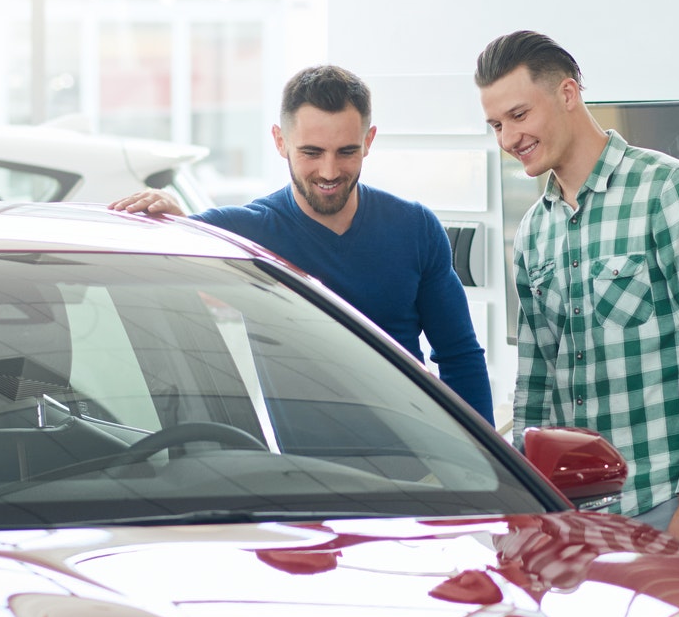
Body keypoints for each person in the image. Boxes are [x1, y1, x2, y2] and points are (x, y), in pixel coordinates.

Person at [477, 30, 679, 566]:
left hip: (670, 497)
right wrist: (526, 504)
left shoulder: (673, 192)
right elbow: (536, 383)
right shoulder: (535, 229)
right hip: (578, 517)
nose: (508, 138)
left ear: (567, 93)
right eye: (496, 125)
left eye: (518, 115)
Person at [110, 64, 493, 419]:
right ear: (280, 141)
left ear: (369, 140)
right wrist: (174, 223)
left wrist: (495, 472)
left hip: (426, 461)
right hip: (303, 473)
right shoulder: (245, 234)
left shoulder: (415, 228)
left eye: (347, 151)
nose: (329, 171)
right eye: (311, 152)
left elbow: (459, 356)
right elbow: (154, 256)